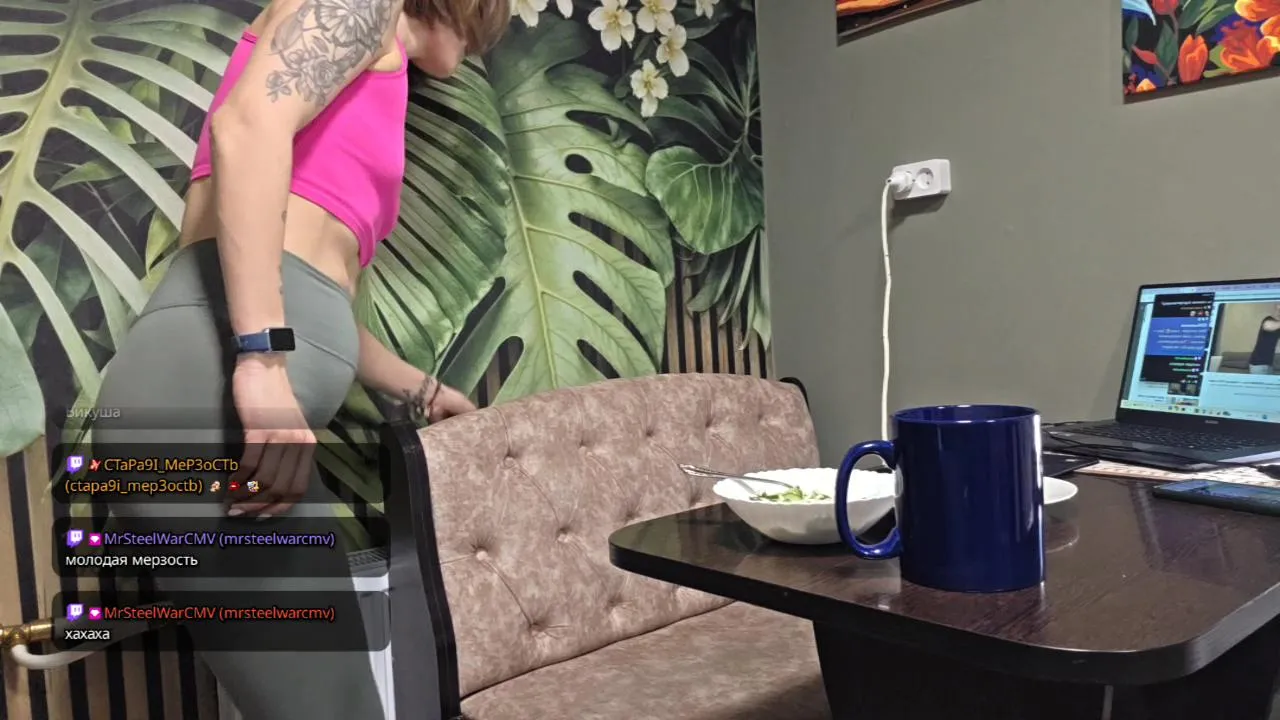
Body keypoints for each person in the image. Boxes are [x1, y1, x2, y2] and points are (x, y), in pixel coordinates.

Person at [89, 0, 510, 717]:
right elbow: (248, 126)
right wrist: (262, 362)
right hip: (201, 399)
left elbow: (310, 289)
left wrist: (421, 389)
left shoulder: (374, 69)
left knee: (343, 705)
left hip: (227, 414)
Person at [1248, 304, 1280, 374]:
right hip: (1258, 364)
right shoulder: (1268, 319)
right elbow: (1267, 326)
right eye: (1278, 309)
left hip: (1269, 364)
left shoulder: (1278, 327)